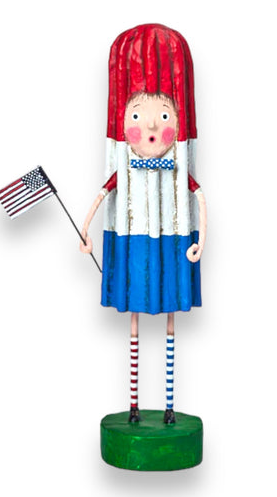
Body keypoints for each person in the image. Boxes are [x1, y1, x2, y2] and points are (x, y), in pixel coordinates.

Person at [80, 24, 206, 424]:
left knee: (169, 326)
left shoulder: (178, 169)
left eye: (163, 115)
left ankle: (168, 406)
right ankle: (134, 405)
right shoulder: (124, 167)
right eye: (138, 115)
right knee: (134, 326)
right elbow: (102, 197)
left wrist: (199, 241)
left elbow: (199, 199)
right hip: (133, 241)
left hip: (173, 241)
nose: (151, 127)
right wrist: (86, 234)